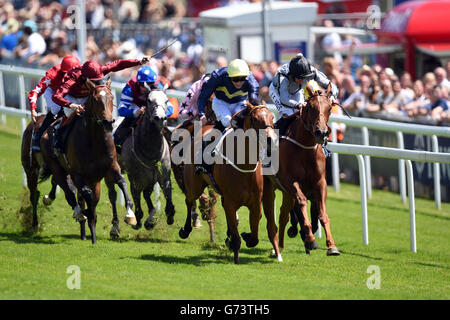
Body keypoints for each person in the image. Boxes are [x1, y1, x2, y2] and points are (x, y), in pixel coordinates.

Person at [51, 56, 151, 152]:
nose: (97, 82)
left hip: (89, 95)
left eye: (98, 79)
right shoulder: (73, 79)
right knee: (70, 115)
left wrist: (138, 62)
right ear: (85, 77)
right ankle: (59, 136)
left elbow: (118, 64)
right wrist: (70, 104)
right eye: (94, 81)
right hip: (72, 98)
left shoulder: (99, 70)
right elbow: (56, 96)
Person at [269, 52, 338, 135]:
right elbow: (284, 99)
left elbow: (331, 85)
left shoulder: (311, 71)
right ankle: (271, 141)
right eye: (299, 78)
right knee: (289, 114)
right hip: (278, 92)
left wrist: (333, 96)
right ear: (292, 75)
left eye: (305, 78)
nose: (302, 80)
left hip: (296, 90)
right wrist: (297, 105)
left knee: (302, 113)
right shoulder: (284, 78)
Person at [114, 65, 173, 153]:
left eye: (151, 84)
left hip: (153, 109)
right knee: (117, 132)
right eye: (143, 85)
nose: (147, 87)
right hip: (135, 107)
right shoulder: (130, 87)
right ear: (138, 83)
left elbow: (170, 109)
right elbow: (121, 110)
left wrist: (159, 114)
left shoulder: (158, 86)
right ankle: (116, 149)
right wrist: (135, 112)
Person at [29, 55, 81, 152]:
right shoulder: (52, 74)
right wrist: (33, 109)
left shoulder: (81, 73)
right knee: (57, 109)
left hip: (66, 92)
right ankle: (38, 136)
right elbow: (35, 91)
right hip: (53, 92)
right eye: (66, 74)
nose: (69, 77)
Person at [197, 58, 259, 131]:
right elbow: (203, 96)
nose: (239, 82)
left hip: (239, 103)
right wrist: (201, 114)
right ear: (229, 76)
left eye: (242, 78)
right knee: (227, 121)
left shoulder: (251, 80)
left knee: (243, 123)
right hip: (220, 102)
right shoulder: (218, 76)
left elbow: (253, 101)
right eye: (235, 79)